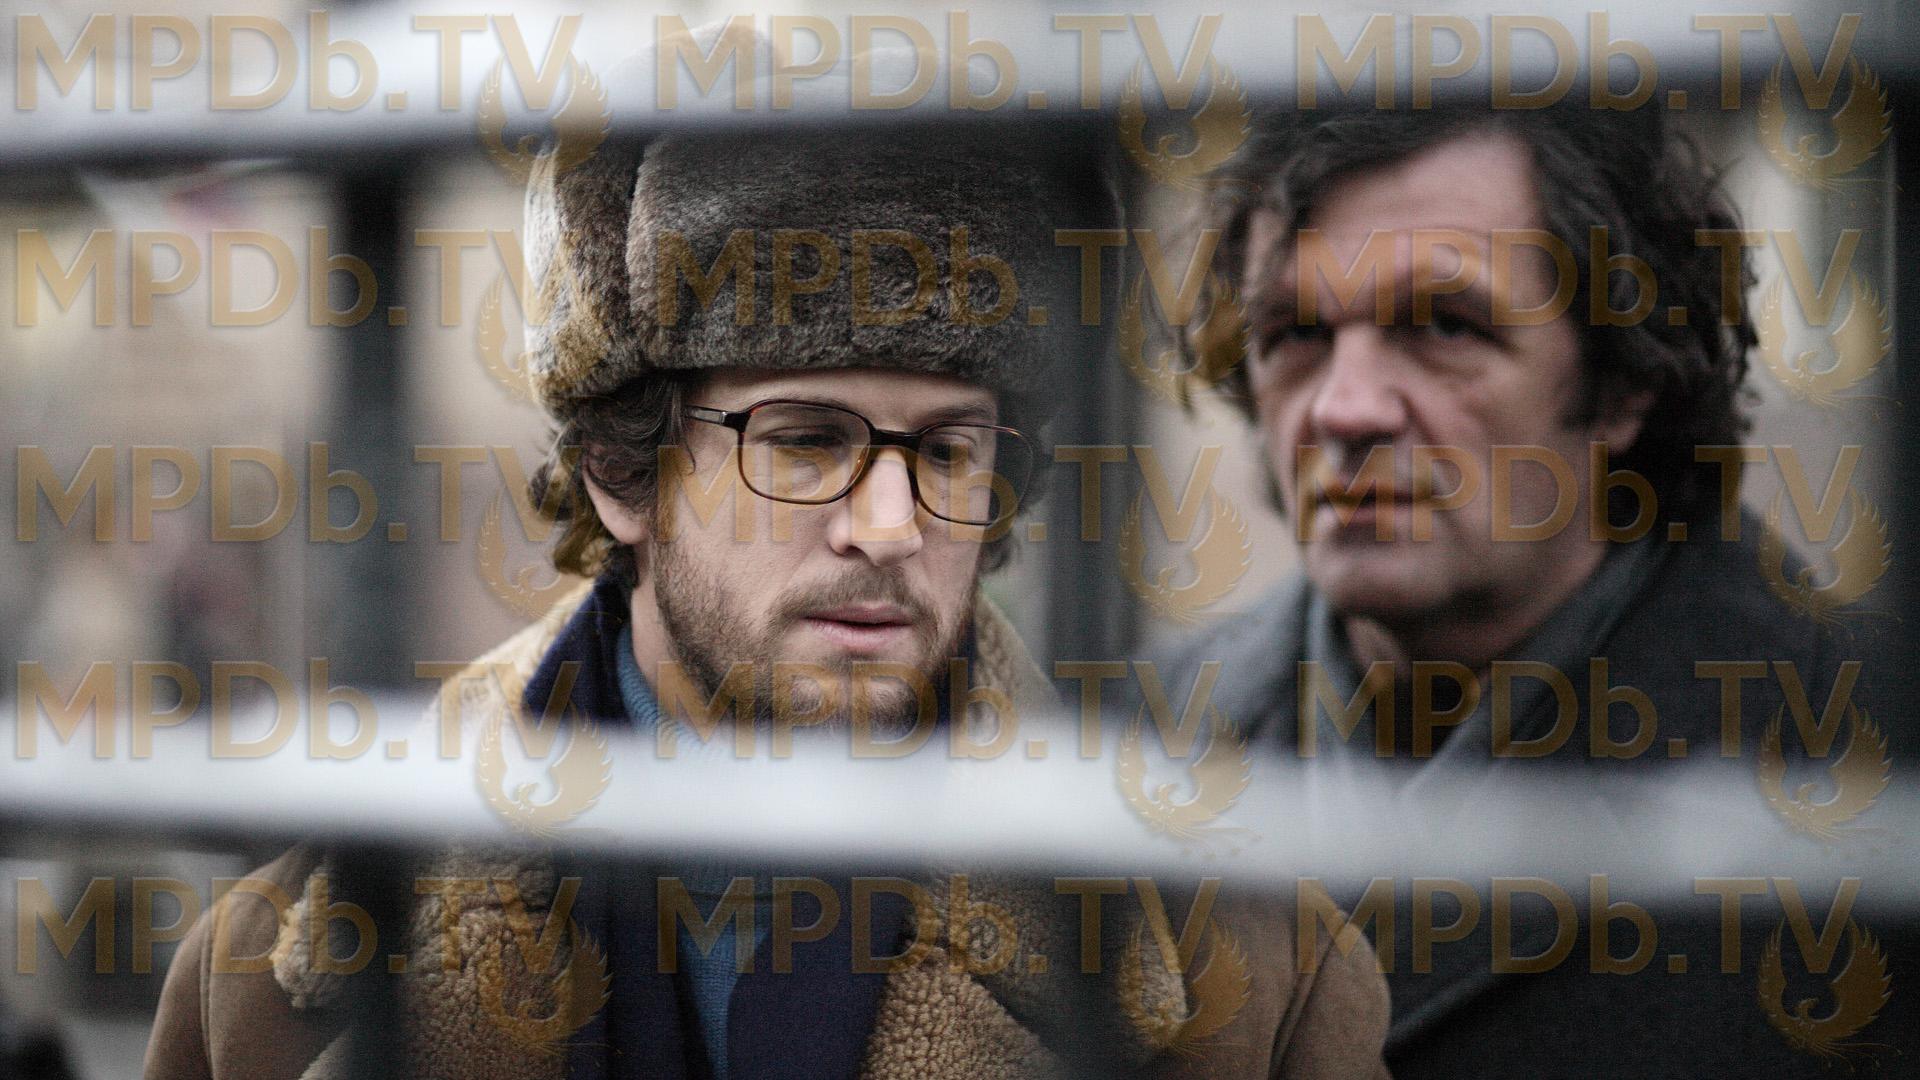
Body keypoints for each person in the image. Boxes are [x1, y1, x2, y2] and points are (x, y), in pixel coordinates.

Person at [143, 104, 1391, 1078]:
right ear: (620, 472)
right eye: (804, 441)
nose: (890, 526)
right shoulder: (266, 971)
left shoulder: (1255, 974)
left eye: (948, 451)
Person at [1158, 105, 1906, 1076]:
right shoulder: (1132, 751)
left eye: (1443, 324)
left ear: (1622, 380)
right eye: (1293, 332)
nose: (1344, 407)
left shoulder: (1868, 770)